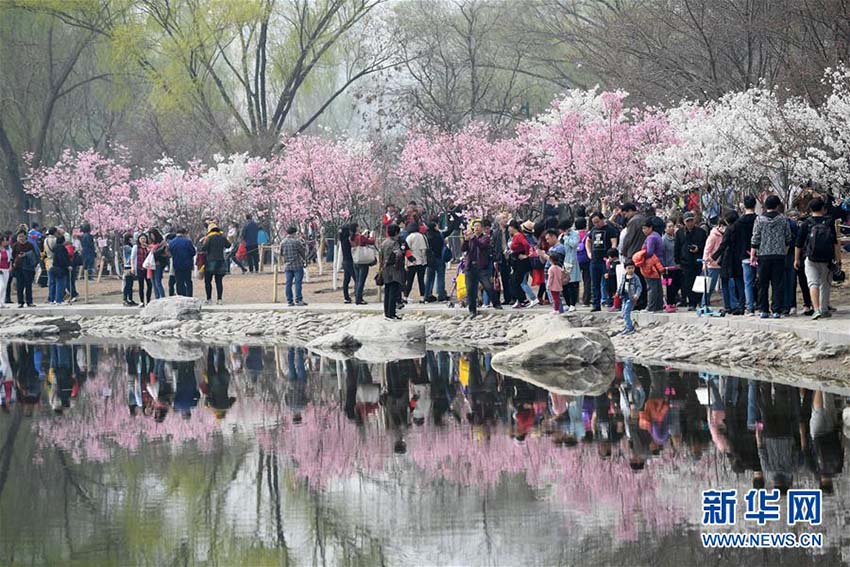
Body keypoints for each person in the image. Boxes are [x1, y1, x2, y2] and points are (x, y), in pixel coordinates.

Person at [795, 197, 841, 320]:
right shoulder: (829, 222)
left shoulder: (806, 223)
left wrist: (796, 259)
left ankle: (816, 310)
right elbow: (835, 243)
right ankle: (824, 309)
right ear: (823, 208)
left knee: (812, 283)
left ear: (810, 209)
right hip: (827, 259)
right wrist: (838, 259)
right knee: (825, 284)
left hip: (810, 258)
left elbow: (798, 243)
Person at [751, 194, 792, 319]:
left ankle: (763, 309)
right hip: (779, 255)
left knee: (763, 283)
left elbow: (756, 237)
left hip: (763, 254)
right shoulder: (783, 219)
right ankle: (776, 310)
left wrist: (753, 253)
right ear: (777, 205)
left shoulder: (759, 219)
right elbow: (788, 237)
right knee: (777, 283)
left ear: (765, 205)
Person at [461, 220, 501, 317]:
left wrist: (473, 238)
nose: (476, 228)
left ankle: (496, 303)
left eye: (478, 226)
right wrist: (466, 240)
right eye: (475, 226)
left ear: (482, 228)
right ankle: (472, 310)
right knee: (470, 289)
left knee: (488, 286)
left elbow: (481, 245)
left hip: (481, 267)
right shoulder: (470, 239)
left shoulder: (485, 238)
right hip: (470, 267)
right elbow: (463, 249)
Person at [712, 211, 744, 314]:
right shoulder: (740, 227)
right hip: (740, 257)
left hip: (729, 258)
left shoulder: (729, 229)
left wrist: (713, 257)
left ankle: (728, 306)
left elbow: (723, 244)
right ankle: (741, 305)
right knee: (740, 282)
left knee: (726, 281)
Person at [585, 212, 618, 311]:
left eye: (597, 222)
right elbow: (588, 240)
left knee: (609, 282)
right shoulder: (593, 230)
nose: (596, 224)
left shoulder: (610, 229)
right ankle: (596, 304)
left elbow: (614, 242)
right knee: (595, 284)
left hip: (605, 260)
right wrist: (589, 253)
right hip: (595, 260)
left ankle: (610, 302)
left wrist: (611, 256)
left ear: (602, 219)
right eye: (594, 222)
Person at [674, 211, 707, 310]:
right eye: (688, 221)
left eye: (691, 220)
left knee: (699, 282)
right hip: (685, 261)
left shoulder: (701, 232)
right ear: (684, 222)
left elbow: (704, 245)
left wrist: (698, 248)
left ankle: (699, 301)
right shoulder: (680, 233)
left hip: (697, 260)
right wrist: (677, 261)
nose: (690, 223)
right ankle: (692, 302)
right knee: (688, 283)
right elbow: (677, 247)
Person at [735, 196, 759, 315]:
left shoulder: (739, 222)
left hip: (744, 254)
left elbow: (736, 240)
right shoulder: (759, 219)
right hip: (759, 254)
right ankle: (760, 303)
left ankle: (749, 307)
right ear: (755, 205)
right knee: (761, 281)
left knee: (748, 282)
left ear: (744, 206)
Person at [379, 224, 405, 320]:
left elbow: (380, 257)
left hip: (385, 268)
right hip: (393, 269)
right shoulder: (394, 243)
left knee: (387, 291)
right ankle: (392, 313)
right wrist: (398, 265)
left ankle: (387, 313)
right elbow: (398, 255)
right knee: (394, 291)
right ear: (396, 233)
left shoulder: (384, 242)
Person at [201, 224, 229, 305]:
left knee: (208, 281)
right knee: (219, 281)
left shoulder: (209, 238)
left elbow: (204, 248)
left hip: (210, 261)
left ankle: (209, 299)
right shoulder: (222, 237)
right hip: (221, 261)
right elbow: (228, 245)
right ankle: (219, 299)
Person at [280, 226, 308, 307]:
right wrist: (305, 260)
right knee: (298, 283)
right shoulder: (296, 242)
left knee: (288, 283)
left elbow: (281, 253)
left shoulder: (283, 242)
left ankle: (289, 301)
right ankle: (298, 299)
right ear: (294, 233)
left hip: (287, 266)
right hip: (297, 265)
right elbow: (302, 252)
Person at [702, 217, 726, 307]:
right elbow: (707, 250)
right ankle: (704, 303)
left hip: (722, 263)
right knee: (710, 286)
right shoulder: (713, 236)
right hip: (712, 264)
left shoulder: (724, 235)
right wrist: (704, 263)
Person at [641, 221, 664, 312]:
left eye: (645, 228)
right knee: (657, 285)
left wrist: (641, 256)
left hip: (652, 264)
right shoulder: (657, 235)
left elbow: (649, 252)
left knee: (651, 286)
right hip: (659, 262)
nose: (643, 230)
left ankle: (651, 306)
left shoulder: (651, 238)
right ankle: (658, 306)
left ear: (650, 228)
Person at [350, 224, 376, 305]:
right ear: (356, 228)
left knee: (357, 280)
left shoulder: (351, 237)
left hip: (356, 260)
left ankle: (357, 296)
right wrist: (372, 235)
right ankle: (359, 298)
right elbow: (371, 242)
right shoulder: (360, 237)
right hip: (363, 261)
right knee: (361, 281)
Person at [11, 230, 37, 307]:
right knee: (20, 285)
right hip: (18, 268)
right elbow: (12, 256)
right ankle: (20, 302)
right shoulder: (15, 245)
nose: (21, 238)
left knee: (28, 285)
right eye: (19, 236)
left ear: (26, 236)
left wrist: (26, 255)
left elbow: (34, 255)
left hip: (28, 267)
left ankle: (29, 301)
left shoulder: (30, 245)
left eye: (22, 236)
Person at [424, 220, 448, 302]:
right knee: (440, 277)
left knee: (429, 278)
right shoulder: (439, 236)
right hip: (439, 258)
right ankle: (441, 295)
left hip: (430, 259)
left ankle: (427, 294)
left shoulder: (426, 236)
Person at [168, 228, 196, 297]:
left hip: (176, 264)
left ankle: (181, 295)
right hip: (187, 264)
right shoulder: (188, 242)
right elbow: (193, 252)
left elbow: (170, 253)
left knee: (179, 281)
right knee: (188, 281)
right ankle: (189, 296)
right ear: (184, 233)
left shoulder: (172, 242)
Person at [404, 221, 428, 302]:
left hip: (412, 261)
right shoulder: (422, 236)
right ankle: (422, 297)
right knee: (421, 280)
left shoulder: (409, 237)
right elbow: (424, 250)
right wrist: (424, 261)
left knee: (409, 281)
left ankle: (405, 297)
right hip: (421, 261)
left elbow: (406, 249)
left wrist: (407, 261)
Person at [618, 259, 642, 335]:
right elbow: (621, 285)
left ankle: (630, 328)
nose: (631, 270)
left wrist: (637, 294)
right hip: (624, 296)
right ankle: (627, 325)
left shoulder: (635, 278)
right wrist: (618, 292)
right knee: (623, 312)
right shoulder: (624, 276)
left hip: (631, 297)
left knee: (626, 312)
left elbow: (639, 287)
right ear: (625, 269)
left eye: (632, 268)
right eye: (629, 268)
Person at [661, 220, 680, 308]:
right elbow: (662, 254)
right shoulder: (664, 240)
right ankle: (669, 302)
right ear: (665, 229)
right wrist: (663, 266)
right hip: (667, 268)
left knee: (676, 284)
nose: (672, 228)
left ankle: (674, 301)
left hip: (676, 266)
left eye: (673, 226)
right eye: (669, 227)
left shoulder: (676, 238)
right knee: (668, 285)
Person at [130, 233, 152, 306]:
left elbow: (151, 255)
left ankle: (148, 301)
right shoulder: (136, 247)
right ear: (139, 239)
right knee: (141, 285)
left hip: (147, 268)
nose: (143, 240)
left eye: (144, 238)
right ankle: (142, 301)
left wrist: (148, 248)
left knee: (149, 285)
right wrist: (132, 267)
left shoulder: (147, 247)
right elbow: (132, 258)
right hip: (139, 268)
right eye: (141, 238)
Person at [48, 234, 70, 305]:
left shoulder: (55, 248)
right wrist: (67, 265)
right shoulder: (62, 248)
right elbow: (63, 259)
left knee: (53, 284)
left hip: (53, 267)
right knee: (60, 284)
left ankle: (52, 299)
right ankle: (59, 300)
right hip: (60, 268)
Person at [148, 228, 169, 300]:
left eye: (152, 235)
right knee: (153, 281)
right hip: (151, 264)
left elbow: (165, 254)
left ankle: (162, 298)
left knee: (157, 281)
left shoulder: (162, 243)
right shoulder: (150, 243)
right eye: (150, 236)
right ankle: (157, 297)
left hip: (158, 264)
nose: (151, 237)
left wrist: (155, 253)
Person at [338, 223, 356, 304]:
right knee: (356, 279)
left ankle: (346, 297)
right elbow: (354, 247)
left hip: (345, 261)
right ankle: (358, 295)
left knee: (346, 280)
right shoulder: (347, 240)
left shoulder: (342, 240)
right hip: (350, 261)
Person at [575, 217, 591, 306]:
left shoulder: (573, 234)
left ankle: (575, 299)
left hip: (576, 259)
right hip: (586, 259)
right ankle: (586, 300)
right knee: (587, 280)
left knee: (575, 280)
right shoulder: (588, 234)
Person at [121, 234, 137, 306]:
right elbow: (133, 251)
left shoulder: (129, 246)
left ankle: (130, 299)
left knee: (130, 284)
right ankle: (125, 299)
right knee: (127, 284)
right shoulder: (127, 247)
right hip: (128, 266)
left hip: (131, 266)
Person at [0, 234, 10, 308]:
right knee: (1, 286)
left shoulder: (7, 250)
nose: (5, 241)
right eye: (4, 240)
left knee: (5, 286)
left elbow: (9, 259)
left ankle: (2, 303)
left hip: (6, 269)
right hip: (0, 270)